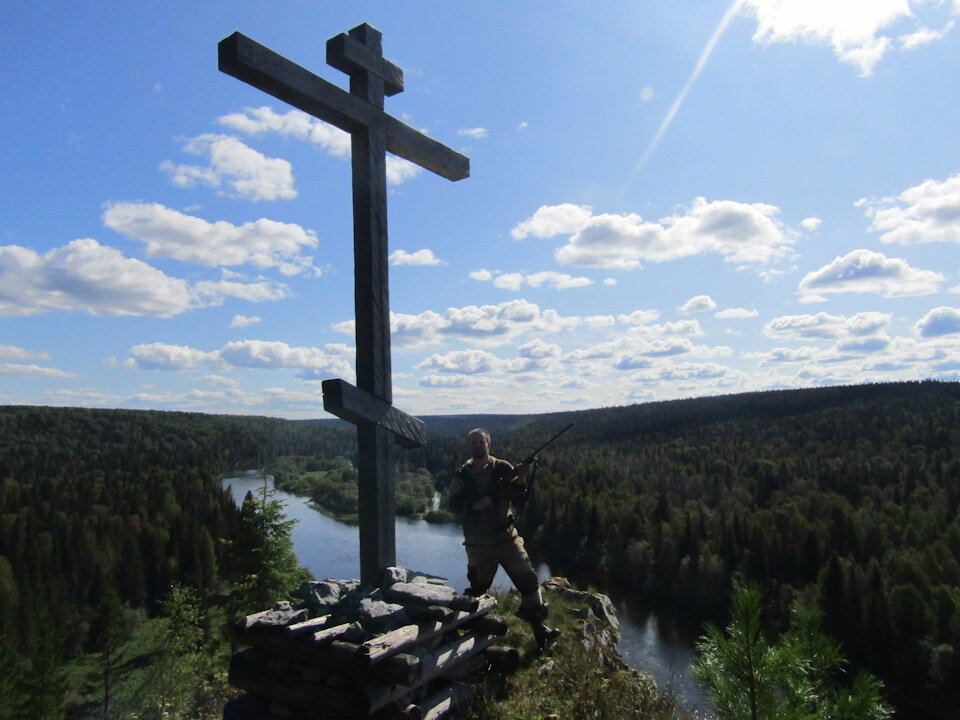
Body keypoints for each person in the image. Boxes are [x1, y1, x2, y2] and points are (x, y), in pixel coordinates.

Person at [448, 427, 559, 647]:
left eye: (482, 442)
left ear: (489, 444)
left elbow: (518, 496)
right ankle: (469, 637)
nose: (478, 446)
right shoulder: (463, 474)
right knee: (478, 589)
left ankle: (540, 632)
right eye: (474, 443)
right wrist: (474, 505)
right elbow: (453, 505)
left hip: (507, 538)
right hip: (479, 544)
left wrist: (522, 477)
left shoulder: (503, 468)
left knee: (527, 579)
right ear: (470, 447)